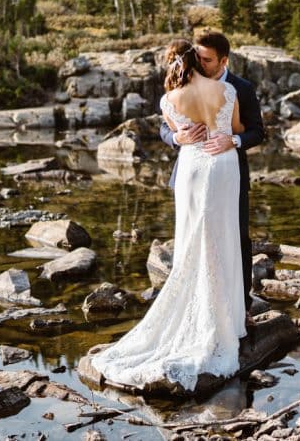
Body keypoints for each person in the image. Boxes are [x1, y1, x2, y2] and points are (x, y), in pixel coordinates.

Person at [91, 39, 248, 393]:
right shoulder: (226, 89)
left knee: (192, 237)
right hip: (222, 165)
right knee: (223, 236)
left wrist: (184, 133)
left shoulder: (167, 100)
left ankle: (205, 314)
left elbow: (177, 126)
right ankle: (227, 321)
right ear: (198, 60)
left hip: (192, 168)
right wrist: (218, 135)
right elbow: (236, 128)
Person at [160, 30, 265, 314]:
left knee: (237, 239)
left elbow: (257, 131)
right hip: (190, 171)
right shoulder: (179, 86)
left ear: (223, 61)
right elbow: (164, 129)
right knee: (191, 238)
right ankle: (194, 306)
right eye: (196, 56)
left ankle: (240, 307)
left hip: (230, 174)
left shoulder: (240, 88)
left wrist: (233, 140)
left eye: (206, 59)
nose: (199, 63)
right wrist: (177, 138)